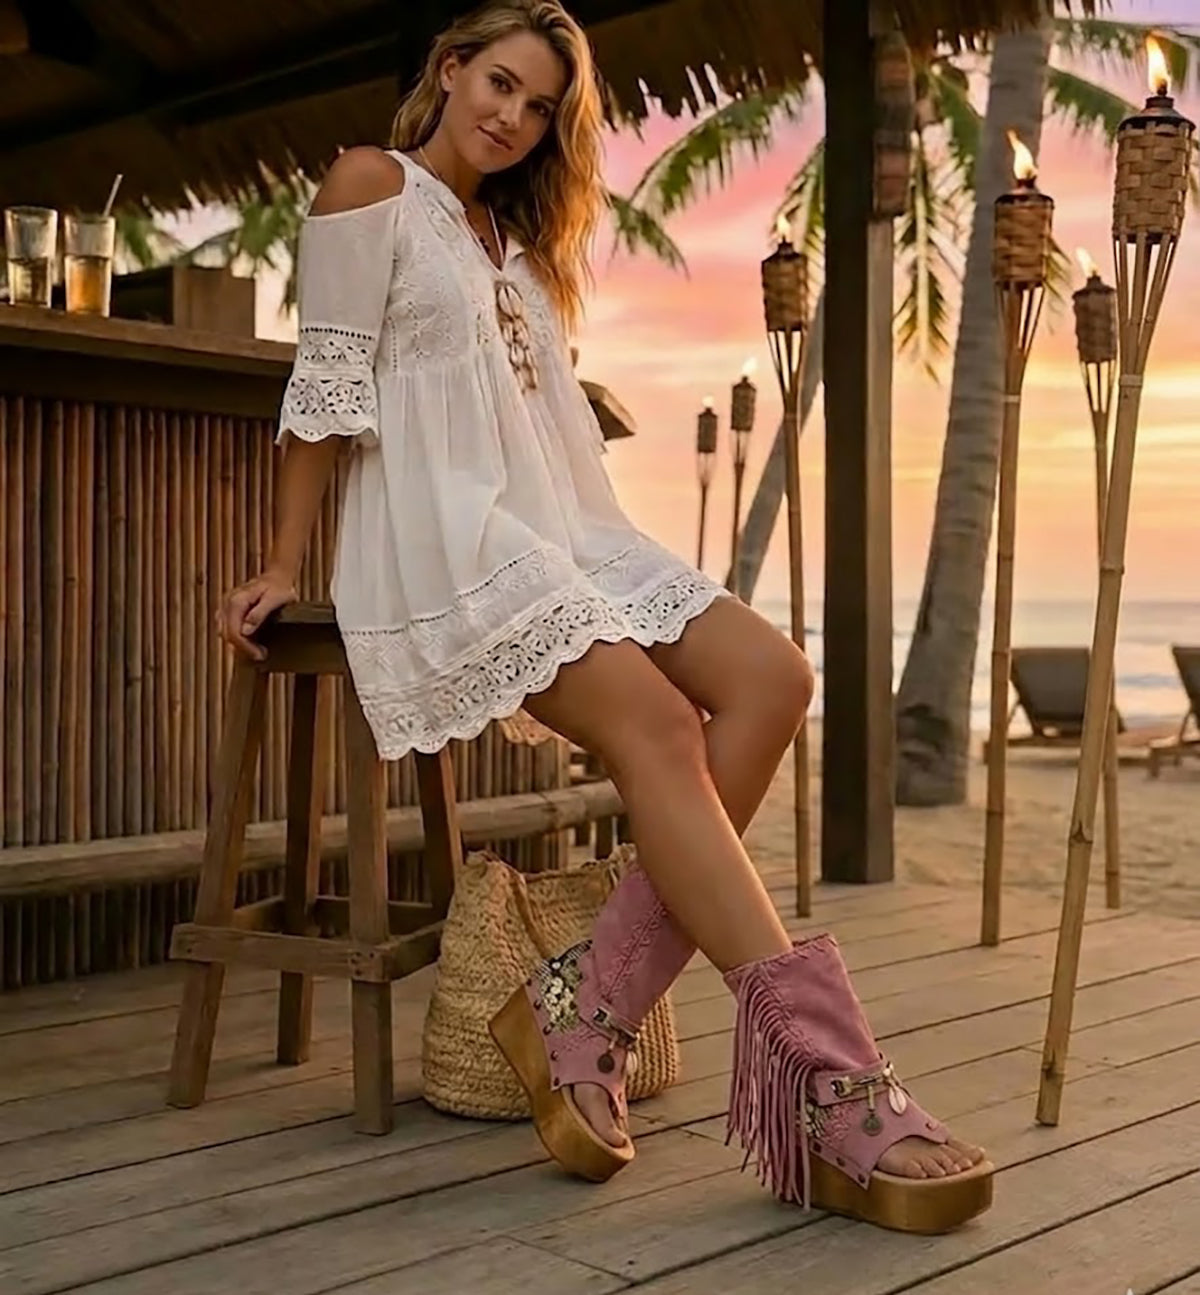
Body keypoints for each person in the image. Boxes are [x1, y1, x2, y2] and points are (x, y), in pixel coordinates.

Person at [218, 0, 992, 1235]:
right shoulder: (372, 184)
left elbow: (544, 432)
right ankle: (832, 1079)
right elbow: (328, 382)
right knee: (660, 729)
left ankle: (585, 1007)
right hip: (442, 537)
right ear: (451, 65)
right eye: (500, 83)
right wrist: (276, 559)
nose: (511, 117)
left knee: (775, 679)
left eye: (537, 108)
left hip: (565, 529)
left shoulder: (514, 250)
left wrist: (611, 569)